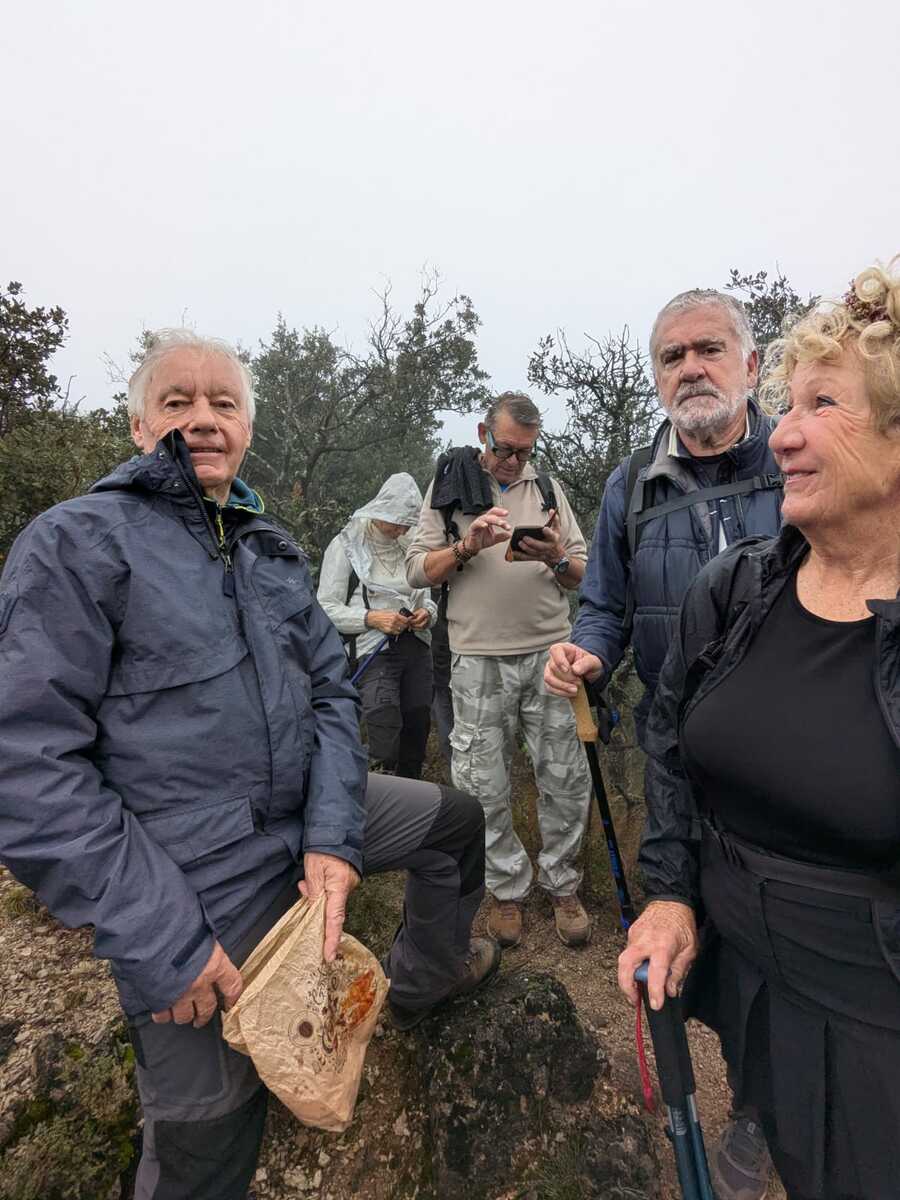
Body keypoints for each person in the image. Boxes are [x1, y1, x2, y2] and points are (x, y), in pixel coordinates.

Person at [0, 329, 500, 1200]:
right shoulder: (77, 544)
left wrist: (334, 836)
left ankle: (422, 983)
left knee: (454, 826)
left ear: (246, 428)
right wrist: (159, 938)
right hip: (189, 876)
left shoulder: (270, 550)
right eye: (177, 402)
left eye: (223, 403)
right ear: (138, 425)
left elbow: (332, 695)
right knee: (209, 1148)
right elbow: (25, 761)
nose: (202, 419)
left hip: (305, 810)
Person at [613, 260, 900, 1200]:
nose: (784, 433)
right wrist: (671, 894)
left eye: (823, 404)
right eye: (790, 404)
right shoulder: (734, 590)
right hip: (749, 986)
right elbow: (671, 743)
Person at [544, 287, 783, 1200]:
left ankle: (759, 1111)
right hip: (677, 746)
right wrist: (587, 652)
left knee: (781, 932)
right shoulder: (630, 487)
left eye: (709, 349)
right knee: (690, 911)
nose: (691, 368)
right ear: (655, 379)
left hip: (789, 744)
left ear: (750, 365)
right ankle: (734, 1077)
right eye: (672, 356)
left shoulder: (795, 458)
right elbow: (604, 603)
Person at [406, 392, 593, 950]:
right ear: (482, 433)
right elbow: (417, 570)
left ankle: (563, 884)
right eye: (506, 449)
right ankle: (506, 889)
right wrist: (467, 545)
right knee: (482, 783)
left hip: (550, 655)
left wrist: (555, 555)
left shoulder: (548, 489)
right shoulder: (449, 489)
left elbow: (582, 574)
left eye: (525, 451)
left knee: (565, 777)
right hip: (478, 658)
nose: (514, 461)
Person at [318, 473, 437, 779]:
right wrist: (372, 618)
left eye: (407, 523)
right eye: (396, 522)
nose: (401, 529)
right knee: (384, 724)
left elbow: (427, 599)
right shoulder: (346, 545)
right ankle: (378, 792)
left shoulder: (412, 546)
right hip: (374, 652)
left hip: (417, 647)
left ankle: (411, 794)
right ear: (380, 511)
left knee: (418, 723)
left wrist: (426, 614)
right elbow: (325, 607)